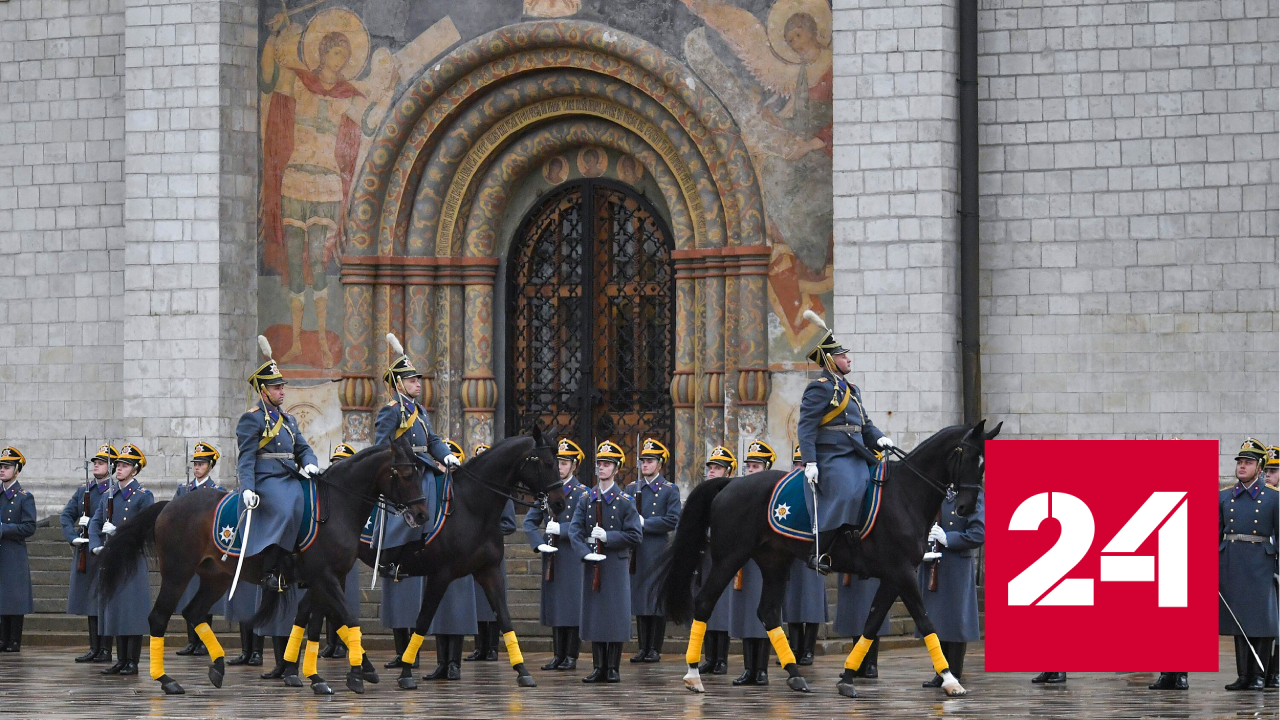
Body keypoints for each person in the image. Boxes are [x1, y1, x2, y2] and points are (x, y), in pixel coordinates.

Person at [371, 336, 461, 670]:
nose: (418, 384)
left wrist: (447, 456)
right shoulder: (391, 412)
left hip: (426, 473)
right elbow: (382, 449)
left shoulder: (420, 411)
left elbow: (433, 441)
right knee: (402, 519)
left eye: (418, 379)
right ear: (397, 384)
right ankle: (393, 557)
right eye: (411, 380)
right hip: (405, 479)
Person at [796, 313, 892, 570]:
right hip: (832, 455)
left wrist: (880, 438)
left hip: (858, 452)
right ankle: (820, 550)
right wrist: (810, 461)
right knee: (848, 489)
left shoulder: (853, 390)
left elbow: (865, 424)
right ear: (830, 360)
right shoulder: (820, 388)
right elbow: (806, 427)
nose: (848, 359)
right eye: (842, 355)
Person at [235, 336, 320, 593]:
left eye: (282, 387)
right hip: (266, 480)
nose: (282, 391)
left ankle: (303, 563)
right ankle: (271, 570)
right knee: (285, 509)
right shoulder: (252, 420)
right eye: (276, 388)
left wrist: (310, 464)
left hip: (290, 477)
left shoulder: (289, 420)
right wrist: (247, 488)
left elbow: (303, 448)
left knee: (314, 506)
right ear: (263, 391)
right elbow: (247, 457)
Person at [570, 440, 642, 683]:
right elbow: (574, 530)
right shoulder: (586, 499)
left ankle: (613, 668)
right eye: (600, 463)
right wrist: (585, 552)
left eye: (607, 464)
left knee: (614, 616)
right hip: (593, 563)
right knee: (596, 616)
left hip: (614, 563)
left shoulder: (624, 501)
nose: (601, 468)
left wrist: (609, 537)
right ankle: (598, 666)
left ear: (616, 469)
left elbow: (635, 535)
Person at [524, 438, 591, 671]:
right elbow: (530, 523)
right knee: (554, 606)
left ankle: (571, 654)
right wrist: (538, 543)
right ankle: (557, 654)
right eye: (558, 463)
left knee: (571, 606)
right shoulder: (546, 492)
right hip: (552, 554)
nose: (560, 467)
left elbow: (588, 526)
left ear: (574, 466)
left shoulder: (583, 493)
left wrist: (562, 529)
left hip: (572, 554)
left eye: (564, 463)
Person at [88, 444, 154, 675]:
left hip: (131, 560)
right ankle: (120, 659)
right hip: (111, 559)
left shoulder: (143, 497)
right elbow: (95, 523)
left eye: (125, 466)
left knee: (131, 612)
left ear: (135, 470)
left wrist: (118, 532)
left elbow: (147, 530)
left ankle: (132, 661)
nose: (119, 469)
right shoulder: (109, 495)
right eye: (118, 465)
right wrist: (96, 545)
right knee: (115, 610)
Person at [1219, 438, 1277, 691]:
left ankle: (1258, 676)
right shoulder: (1224, 496)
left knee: (1261, 621)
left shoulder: (1273, 498)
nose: (1242, 466)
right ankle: (1244, 676)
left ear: (1260, 468)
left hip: (1261, 563)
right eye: (1240, 462)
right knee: (1239, 620)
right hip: (1232, 560)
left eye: (1248, 462)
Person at [422, 439, 479, 681]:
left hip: (458, 557)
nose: (439, 466)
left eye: (442, 462)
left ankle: (454, 662)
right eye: (436, 462)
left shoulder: (465, 489)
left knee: (457, 613)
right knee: (439, 613)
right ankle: (441, 662)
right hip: (435, 556)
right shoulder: (431, 487)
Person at [765, 441, 825, 666]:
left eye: (803, 464)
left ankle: (808, 649)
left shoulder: (820, 491)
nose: (799, 468)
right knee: (792, 603)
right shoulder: (788, 492)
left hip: (812, 550)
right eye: (797, 464)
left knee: (810, 603)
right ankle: (795, 646)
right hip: (791, 552)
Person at [918, 489, 984, 687]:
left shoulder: (971, 495)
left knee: (955, 621)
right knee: (935, 620)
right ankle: (940, 670)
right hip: (932, 565)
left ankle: (954, 671)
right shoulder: (932, 490)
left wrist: (949, 538)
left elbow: (979, 533)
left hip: (956, 564)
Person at [626, 438, 681, 664]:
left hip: (657, 549)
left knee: (655, 601)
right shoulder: (632, 488)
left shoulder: (669, 490)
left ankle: (654, 648)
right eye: (643, 461)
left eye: (650, 461)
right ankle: (642, 647)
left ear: (660, 464)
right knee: (640, 600)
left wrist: (645, 523)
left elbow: (672, 520)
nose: (645, 465)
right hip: (638, 550)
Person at [60, 443, 116, 663]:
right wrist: (73, 536)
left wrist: (94, 524)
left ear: (110, 467)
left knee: (104, 602)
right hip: (86, 551)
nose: (97, 465)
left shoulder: (113, 491)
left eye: (102, 463)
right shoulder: (84, 490)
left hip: (104, 550)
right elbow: (66, 516)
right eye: (95, 462)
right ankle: (94, 648)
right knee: (90, 602)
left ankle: (105, 649)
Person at [720, 445, 770, 686]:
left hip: (763, 563)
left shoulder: (771, 495)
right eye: (749, 467)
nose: (751, 471)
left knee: (761, 619)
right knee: (744, 617)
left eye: (756, 467)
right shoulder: (738, 495)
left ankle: (762, 669)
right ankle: (749, 668)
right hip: (742, 561)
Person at [173, 442, 227, 656]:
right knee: (188, 594)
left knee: (205, 597)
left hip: (206, 551)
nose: (197, 467)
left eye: (202, 464)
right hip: (187, 552)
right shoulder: (184, 490)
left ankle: (205, 641)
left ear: (210, 466)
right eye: (195, 463)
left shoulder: (216, 492)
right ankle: (191, 641)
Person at [467, 442, 516, 663]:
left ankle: (493, 647)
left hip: (492, 553)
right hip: (474, 553)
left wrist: (490, 530)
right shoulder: (472, 494)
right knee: (477, 602)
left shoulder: (500, 493)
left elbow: (509, 524)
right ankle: (480, 647)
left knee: (494, 601)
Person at [695, 448, 735, 675]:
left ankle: (722, 658)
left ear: (728, 471)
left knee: (722, 610)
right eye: (710, 468)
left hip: (724, 556)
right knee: (705, 607)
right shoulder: (702, 494)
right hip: (705, 557)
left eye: (717, 468)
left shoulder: (734, 494)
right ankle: (709, 657)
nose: (712, 472)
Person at [320, 443, 360, 659]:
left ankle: (344, 643)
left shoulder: (353, 496)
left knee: (345, 600)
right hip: (330, 551)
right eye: (334, 462)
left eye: (341, 463)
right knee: (329, 599)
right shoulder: (328, 492)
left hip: (347, 552)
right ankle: (331, 642)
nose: (337, 466)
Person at [0, 446, 35, 653]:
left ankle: (14, 640)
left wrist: (4, 529)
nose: (2, 470)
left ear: (17, 470)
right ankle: (3, 638)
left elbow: (29, 526)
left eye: (7, 467)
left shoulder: (24, 497)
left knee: (14, 597)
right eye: (1, 467)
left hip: (14, 551)